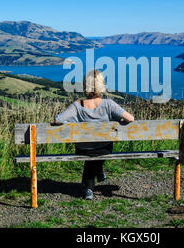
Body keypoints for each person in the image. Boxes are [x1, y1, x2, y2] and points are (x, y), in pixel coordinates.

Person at [54, 70, 134, 200]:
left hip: (83, 149)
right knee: (100, 149)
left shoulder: (77, 105)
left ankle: (88, 188)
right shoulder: (109, 104)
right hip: (104, 148)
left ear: (85, 85)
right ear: (101, 85)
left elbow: (57, 120)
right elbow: (130, 118)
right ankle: (97, 173)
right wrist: (117, 121)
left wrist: (72, 121)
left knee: (90, 152)